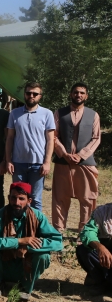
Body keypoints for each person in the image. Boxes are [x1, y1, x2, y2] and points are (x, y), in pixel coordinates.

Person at [0, 182, 62, 301]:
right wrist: (19, 241)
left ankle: (25, 288)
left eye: (21, 199)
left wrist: (28, 247)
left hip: (25, 266)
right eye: (13, 198)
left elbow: (57, 242)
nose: (17, 203)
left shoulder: (38, 217)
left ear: (29, 200)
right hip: (3, 266)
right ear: (8, 198)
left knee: (43, 256)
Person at [52, 83, 100, 232]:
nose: (78, 95)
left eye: (81, 93)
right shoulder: (59, 113)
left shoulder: (93, 115)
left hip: (85, 163)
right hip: (62, 162)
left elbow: (96, 138)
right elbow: (53, 136)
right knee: (60, 198)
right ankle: (58, 232)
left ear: (86, 96)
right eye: (75, 92)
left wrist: (81, 155)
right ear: (71, 94)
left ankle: (85, 233)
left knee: (87, 199)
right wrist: (64, 154)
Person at [5, 82, 55, 211]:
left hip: (38, 165)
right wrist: (8, 160)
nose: (31, 96)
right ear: (24, 95)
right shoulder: (14, 113)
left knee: (35, 199)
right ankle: (18, 227)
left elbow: (50, 140)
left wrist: (47, 162)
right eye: (28, 93)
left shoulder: (47, 114)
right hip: (18, 164)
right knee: (17, 198)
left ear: (40, 96)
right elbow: (10, 138)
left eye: (35, 94)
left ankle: (34, 229)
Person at [77, 203, 112, 290]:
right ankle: (100, 282)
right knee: (84, 250)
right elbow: (88, 232)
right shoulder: (102, 212)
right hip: (107, 258)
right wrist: (100, 247)